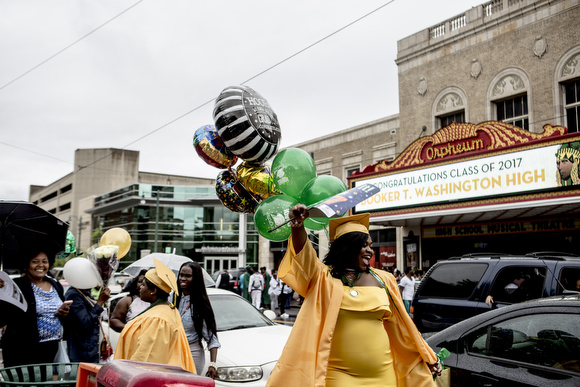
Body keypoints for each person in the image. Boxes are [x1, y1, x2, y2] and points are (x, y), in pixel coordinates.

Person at [266, 204, 441, 386]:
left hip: (383, 374)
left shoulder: (385, 279)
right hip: (338, 375)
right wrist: (298, 225)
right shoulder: (323, 277)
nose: (370, 250)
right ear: (347, 248)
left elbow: (403, 326)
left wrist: (426, 355)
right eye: (363, 245)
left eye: (371, 246)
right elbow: (304, 255)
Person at [115, 258, 195, 373]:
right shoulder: (166, 309)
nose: (140, 288)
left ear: (153, 290)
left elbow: (146, 359)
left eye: (143, 285)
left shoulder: (158, 320)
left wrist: (129, 375)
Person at [0, 248, 71, 367]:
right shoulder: (16, 285)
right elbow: (3, 317)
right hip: (22, 351)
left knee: (44, 383)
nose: (41, 265)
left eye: (44, 261)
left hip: (50, 349)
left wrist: (64, 313)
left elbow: (64, 317)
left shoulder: (56, 285)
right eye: (35, 261)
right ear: (27, 264)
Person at [177, 261, 221, 379]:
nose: (183, 278)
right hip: (172, 352)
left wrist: (212, 364)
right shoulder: (172, 297)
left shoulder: (200, 304)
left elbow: (212, 339)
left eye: (188, 276)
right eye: (181, 275)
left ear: (196, 278)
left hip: (192, 354)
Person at [65, 276, 111, 363]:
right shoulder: (74, 295)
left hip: (91, 351)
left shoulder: (84, 293)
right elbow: (86, 322)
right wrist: (100, 302)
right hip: (83, 354)